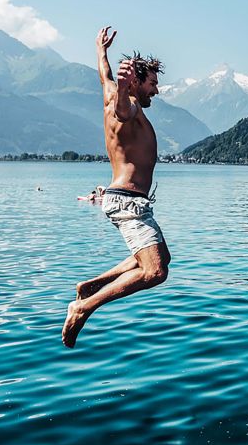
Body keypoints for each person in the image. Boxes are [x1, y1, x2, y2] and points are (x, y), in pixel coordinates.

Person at [63, 27, 169, 348]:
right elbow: (123, 111)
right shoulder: (128, 105)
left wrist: (101, 50)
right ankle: (84, 308)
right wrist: (125, 91)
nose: (157, 90)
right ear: (136, 82)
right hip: (128, 203)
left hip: (129, 201)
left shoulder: (111, 91)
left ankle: (89, 287)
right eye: (152, 83)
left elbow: (103, 76)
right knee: (155, 272)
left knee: (160, 256)